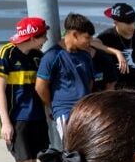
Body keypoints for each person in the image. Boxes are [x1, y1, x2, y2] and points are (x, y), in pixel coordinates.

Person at [0, 16, 50, 162]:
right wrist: (5, 122)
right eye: (43, 35)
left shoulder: (38, 56)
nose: (46, 38)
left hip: (36, 114)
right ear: (33, 37)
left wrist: (48, 108)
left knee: (33, 157)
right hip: (17, 116)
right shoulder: (5, 52)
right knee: (23, 158)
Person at [35, 13, 95, 149]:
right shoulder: (52, 56)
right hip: (65, 112)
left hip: (85, 111)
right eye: (87, 37)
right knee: (72, 151)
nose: (89, 41)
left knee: (89, 150)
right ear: (74, 35)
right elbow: (40, 87)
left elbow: (90, 82)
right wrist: (52, 105)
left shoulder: (86, 55)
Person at [94, 2, 135, 95]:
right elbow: (91, 42)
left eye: (133, 22)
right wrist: (116, 52)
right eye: (127, 23)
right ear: (116, 22)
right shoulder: (107, 36)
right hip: (117, 92)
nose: (132, 26)